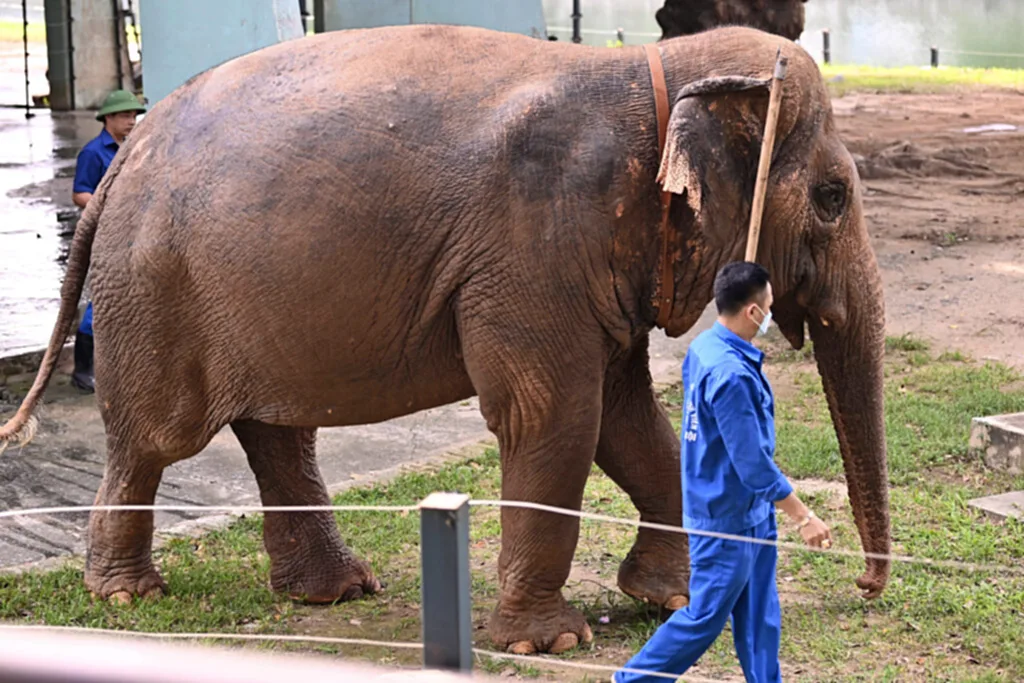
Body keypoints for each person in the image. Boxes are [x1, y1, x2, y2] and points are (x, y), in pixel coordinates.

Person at [613, 262, 832, 683]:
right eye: (768, 307)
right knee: (705, 617)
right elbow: (752, 466)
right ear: (752, 312)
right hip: (725, 516)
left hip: (746, 512)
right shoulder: (731, 375)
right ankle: (631, 680)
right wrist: (804, 517)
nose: (771, 314)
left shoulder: (706, 347)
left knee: (760, 614)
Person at [69, 89, 146, 392]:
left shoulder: (131, 149)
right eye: (125, 115)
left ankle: (121, 364)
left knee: (130, 295)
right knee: (101, 298)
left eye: (134, 116)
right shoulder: (92, 152)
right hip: (104, 232)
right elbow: (80, 193)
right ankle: (82, 370)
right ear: (109, 118)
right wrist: (108, 208)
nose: (131, 121)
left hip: (130, 230)